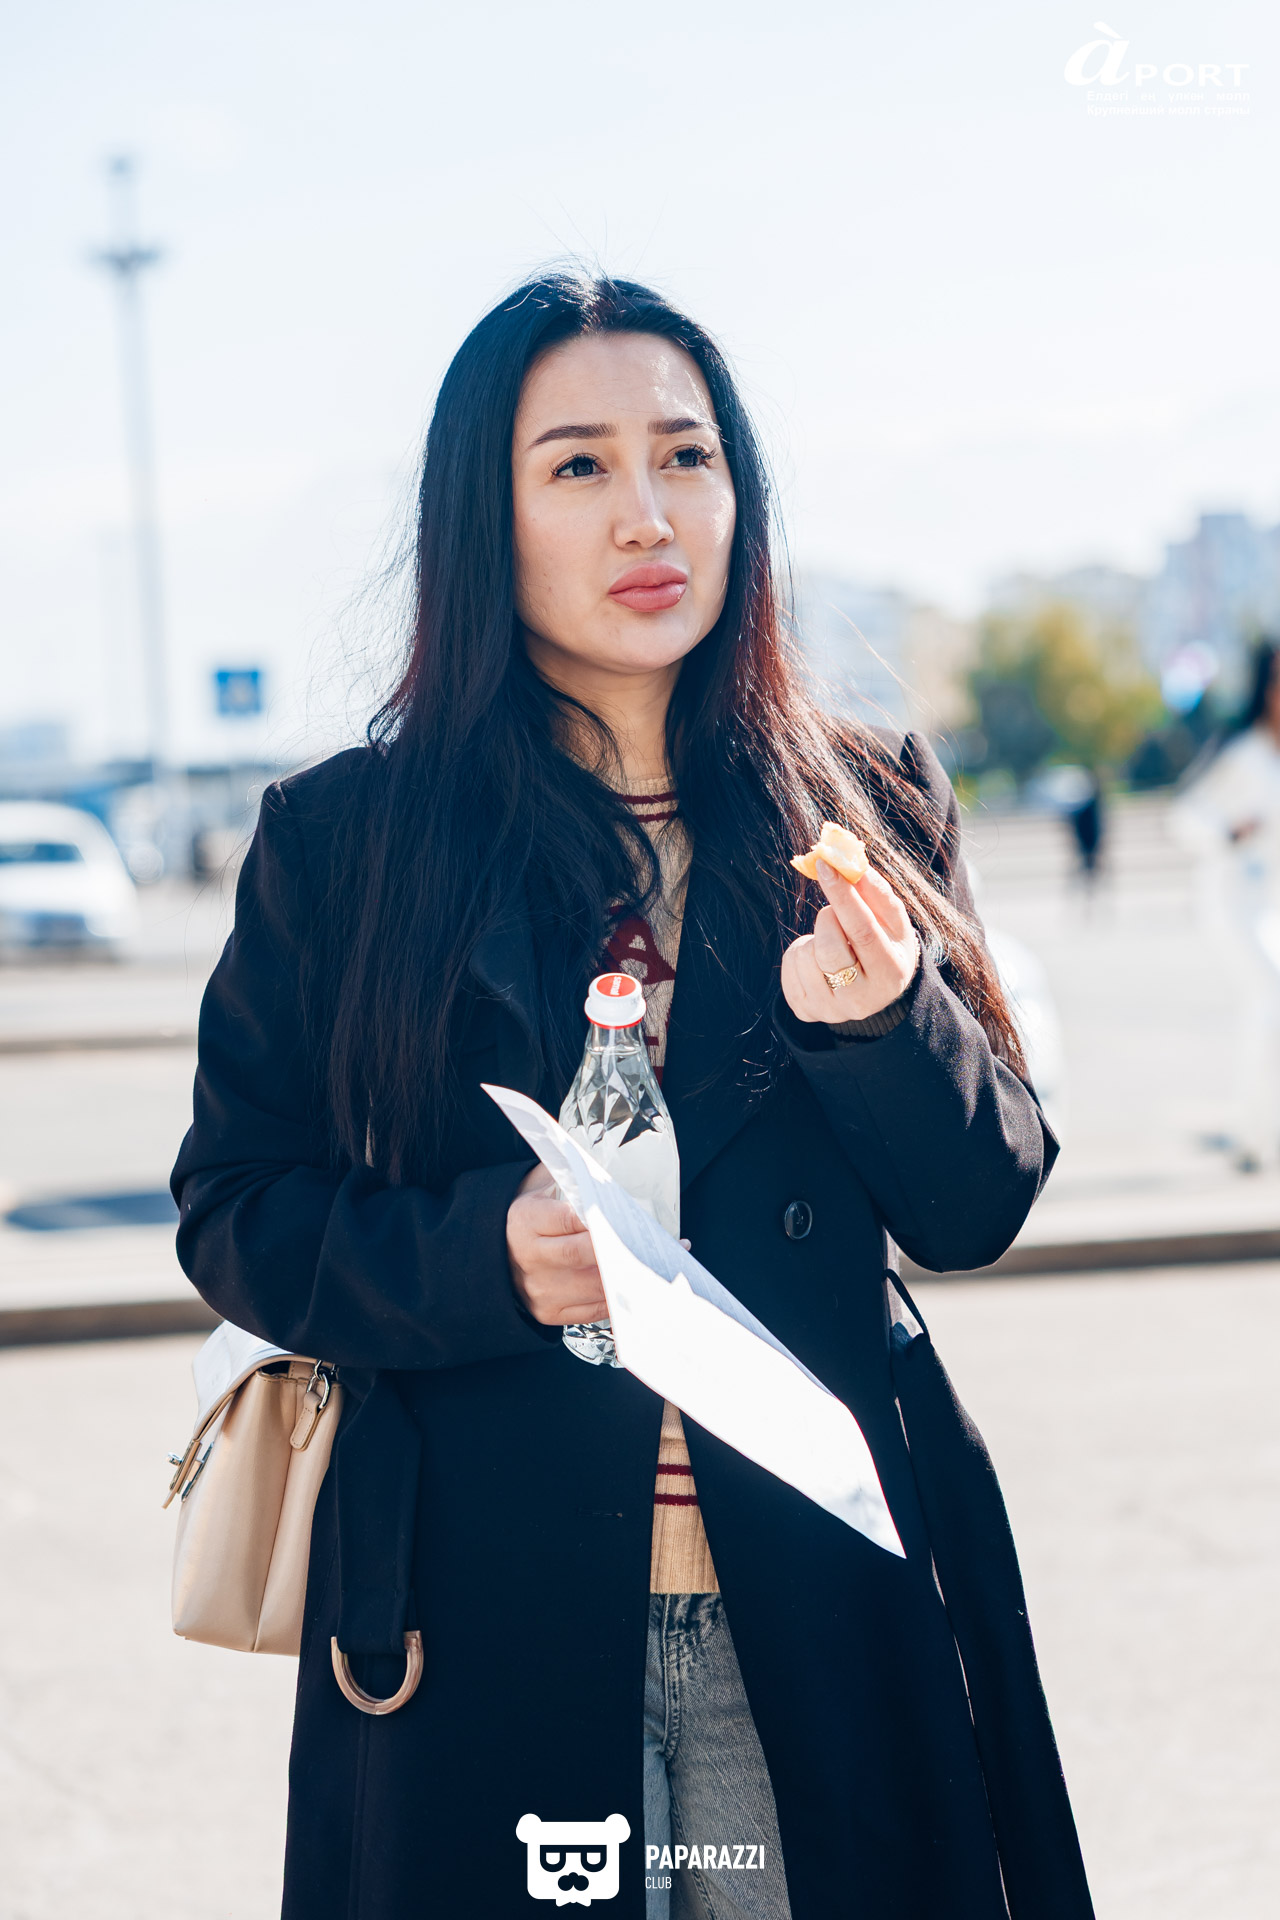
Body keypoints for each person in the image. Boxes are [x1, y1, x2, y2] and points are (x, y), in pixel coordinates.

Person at [171, 273, 1093, 1920]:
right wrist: (483, 1256)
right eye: (579, 466)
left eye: (686, 455)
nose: (648, 514)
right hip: (481, 1612)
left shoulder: (864, 801)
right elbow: (238, 1210)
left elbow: (976, 1207)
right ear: (486, 516)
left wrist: (885, 1027)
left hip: (821, 1600)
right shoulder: (347, 842)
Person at [1172, 638, 1280, 1170]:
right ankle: (1251, 1133)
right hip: (1233, 903)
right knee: (1271, 998)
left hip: (1272, 906)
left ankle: (1256, 1131)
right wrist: (1229, 832)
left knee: (1269, 1010)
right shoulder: (1242, 752)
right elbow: (1183, 818)